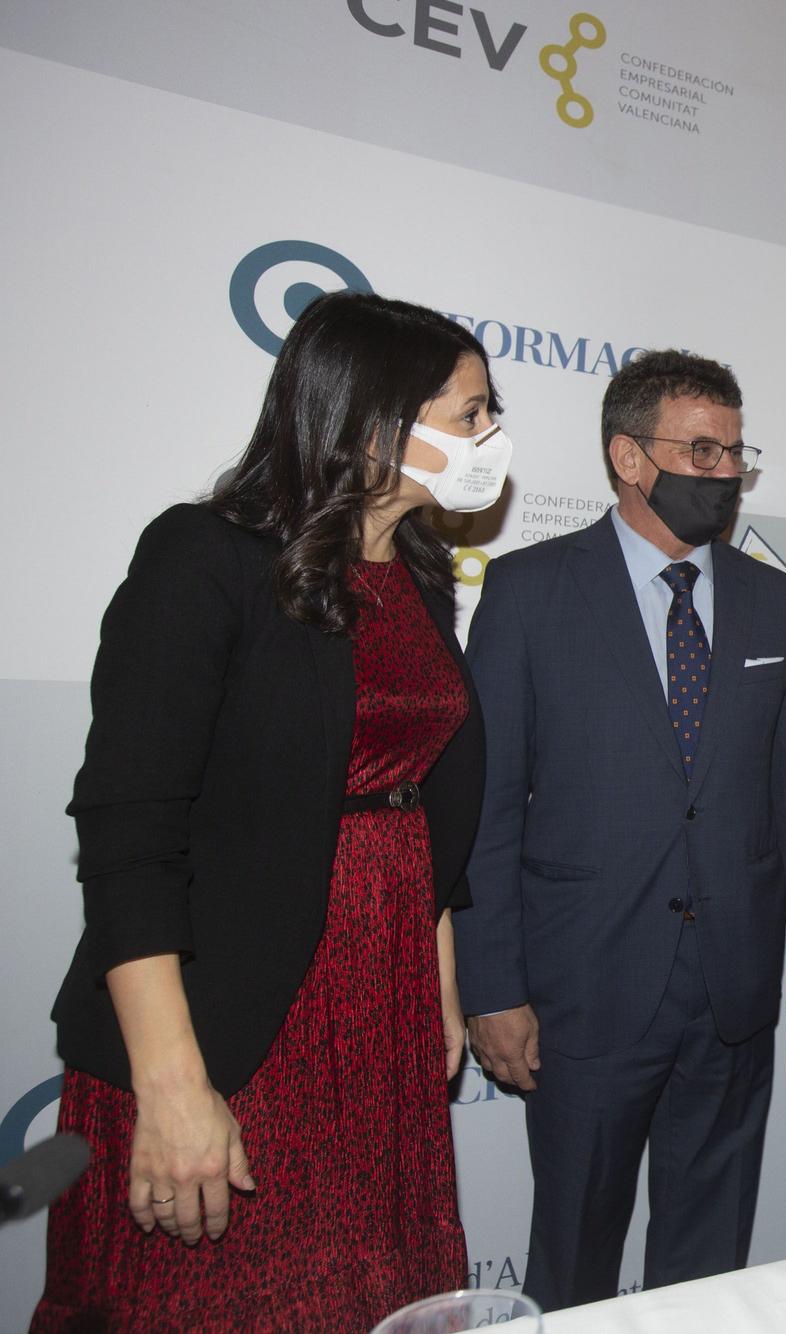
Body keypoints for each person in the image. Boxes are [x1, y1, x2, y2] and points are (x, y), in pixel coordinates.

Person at [35, 291, 504, 1330]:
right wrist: (172, 1084)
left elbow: (413, 787)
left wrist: (437, 984)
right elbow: (129, 832)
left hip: (379, 1012)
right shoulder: (206, 556)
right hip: (234, 1014)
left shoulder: (421, 574)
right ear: (375, 418)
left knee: (366, 1291)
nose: (490, 438)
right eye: (469, 413)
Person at [454, 349, 786, 1310]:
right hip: (585, 991)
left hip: (734, 991)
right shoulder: (529, 591)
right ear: (629, 458)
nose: (723, 472)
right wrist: (491, 986)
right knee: (576, 1252)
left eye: (735, 453)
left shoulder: (773, 599)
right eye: (699, 449)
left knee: (710, 1258)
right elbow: (488, 807)